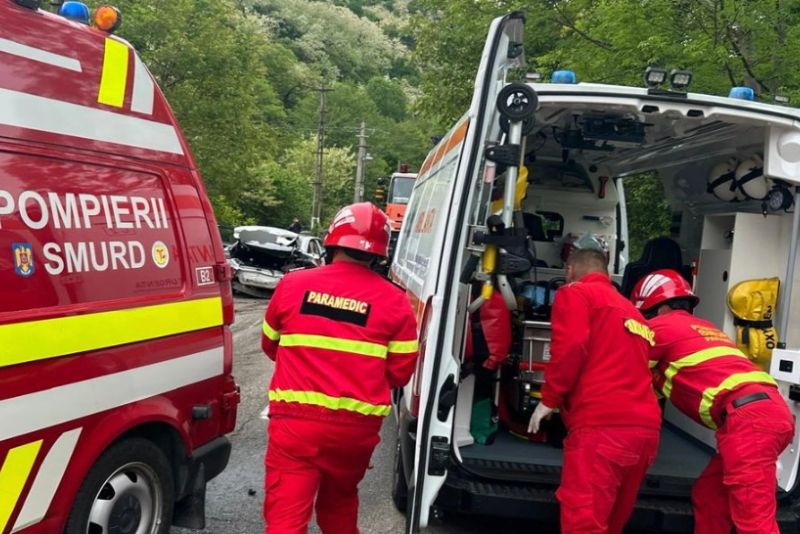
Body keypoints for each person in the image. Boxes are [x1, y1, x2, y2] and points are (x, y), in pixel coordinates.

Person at [261, 202, 419, 534]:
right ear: (379, 254)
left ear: (332, 241)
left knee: (286, 519)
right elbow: (401, 373)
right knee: (340, 505)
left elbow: (270, 345)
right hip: (355, 430)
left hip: (295, 424)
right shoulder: (395, 301)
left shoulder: (293, 285)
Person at [631, 269, 794, 534]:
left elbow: (623, 372)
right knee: (710, 496)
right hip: (769, 414)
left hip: (749, 423)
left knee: (755, 522)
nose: (644, 322)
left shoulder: (660, 327)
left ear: (658, 309)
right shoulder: (705, 329)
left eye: (645, 315)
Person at [528, 248, 662, 533]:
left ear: (569, 271)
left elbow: (571, 347)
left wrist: (549, 399)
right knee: (612, 522)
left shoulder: (576, 293)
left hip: (602, 428)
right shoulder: (632, 312)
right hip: (644, 432)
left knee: (584, 521)